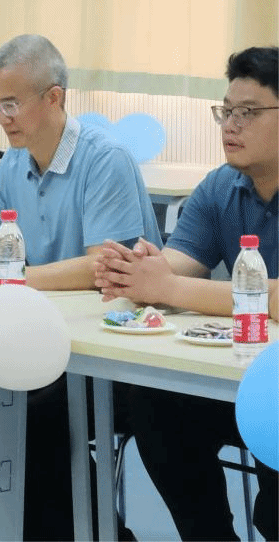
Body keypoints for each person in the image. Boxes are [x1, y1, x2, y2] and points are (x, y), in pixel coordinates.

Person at [0, 33, 163, 540]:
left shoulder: (104, 159)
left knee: (27, 415)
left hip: (107, 347)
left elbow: (103, 265)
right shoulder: (15, 161)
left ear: (54, 97)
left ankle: (100, 533)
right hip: (41, 334)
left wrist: (8, 279)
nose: (2, 117)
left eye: (12, 104)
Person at [95, 45, 278, 542]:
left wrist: (172, 286)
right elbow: (179, 261)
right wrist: (139, 270)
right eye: (226, 111)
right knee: (156, 402)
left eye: (248, 112)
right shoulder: (222, 186)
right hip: (237, 378)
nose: (230, 126)